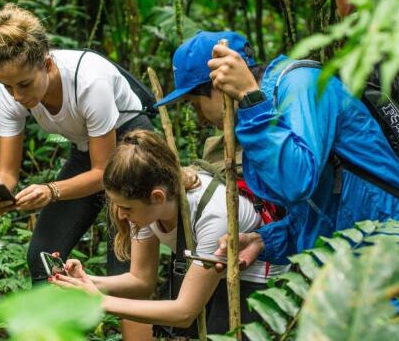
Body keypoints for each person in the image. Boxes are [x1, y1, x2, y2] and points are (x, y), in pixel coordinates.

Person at [153, 30, 399, 267]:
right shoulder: (270, 109)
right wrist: (263, 240)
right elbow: (317, 212)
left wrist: (250, 100)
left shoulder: (300, 85)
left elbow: (297, 181)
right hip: (350, 262)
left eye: (195, 105)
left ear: (219, 86)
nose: (199, 119)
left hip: (388, 252)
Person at [0, 4, 155, 339]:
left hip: (131, 146)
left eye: (24, 84)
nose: (17, 96)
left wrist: (51, 190)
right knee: (43, 255)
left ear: (47, 64)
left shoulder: (89, 80)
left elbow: (105, 172)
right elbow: (7, 172)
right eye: (8, 87)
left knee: (124, 265)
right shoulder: (11, 92)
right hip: (87, 152)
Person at [52, 130, 288, 334]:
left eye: (126, 208)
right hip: (209, 269)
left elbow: (184, 312)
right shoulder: (146, 209)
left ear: (157, 197)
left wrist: (99, 301)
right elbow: (141, 281)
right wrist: (86, 282)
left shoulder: (215, 214)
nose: (121, 216)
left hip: (253, 275)